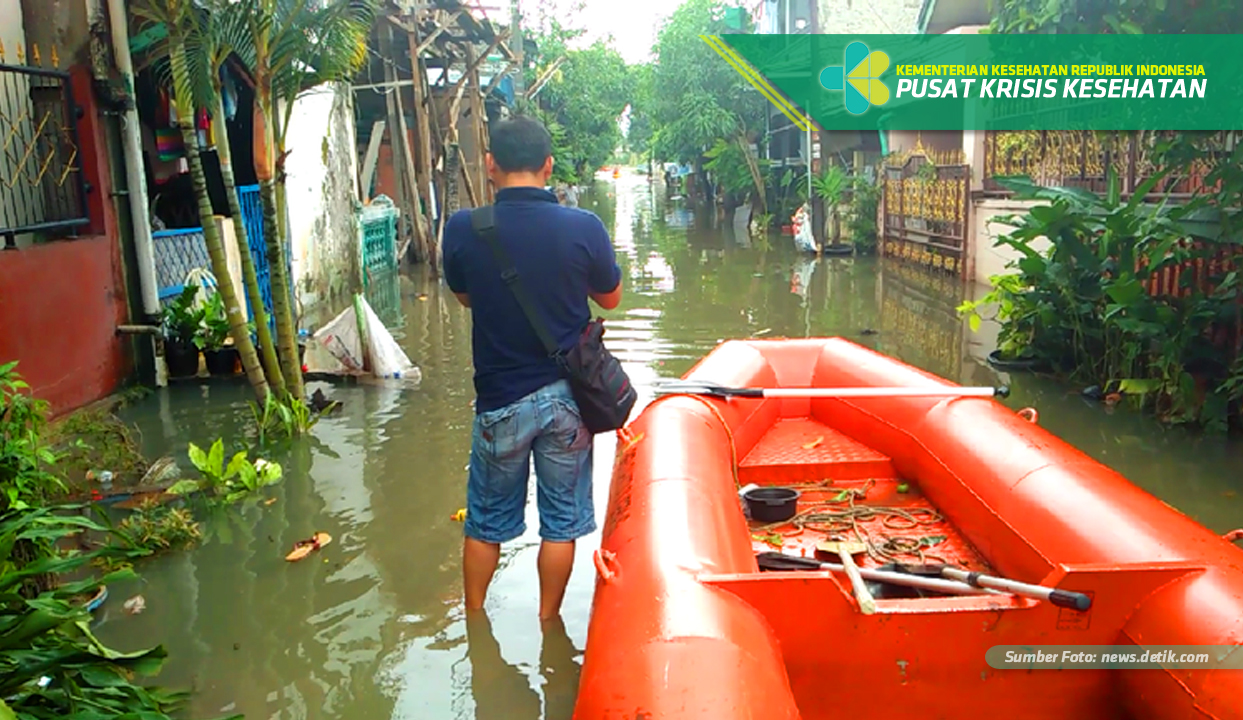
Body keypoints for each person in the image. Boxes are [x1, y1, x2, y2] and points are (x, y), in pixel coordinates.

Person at [441, 116, 624, 620]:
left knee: (484, 522)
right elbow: (610, 297)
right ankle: (548, 621)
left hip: (500, 401)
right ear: (549, 165)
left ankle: (475, 620)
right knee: (560, 524)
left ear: (491, 164)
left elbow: (465, 298)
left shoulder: (464, 228)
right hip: (569, 401)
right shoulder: (583, 226)